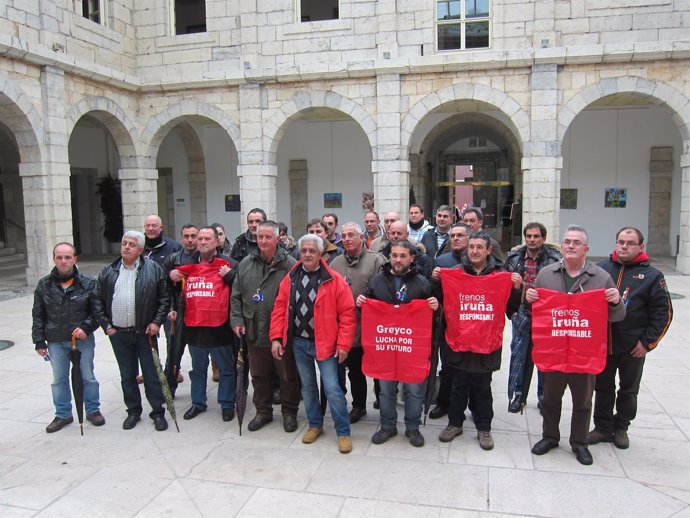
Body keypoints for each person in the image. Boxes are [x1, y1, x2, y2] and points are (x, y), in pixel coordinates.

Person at [527, 225, 625, 465]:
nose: (570, 246)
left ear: (586, 249)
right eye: (567, 242)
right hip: (554, 350)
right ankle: (549, 437)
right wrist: (528, 299)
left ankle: (579, 443)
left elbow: (617, 315)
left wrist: (615, 302)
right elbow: (537, 312)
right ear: (561, 246)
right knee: (550, 399)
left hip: (584, 352)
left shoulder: (600, 277)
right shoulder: (546, 274)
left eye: (576, 243)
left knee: (582, 401)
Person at [270, 234, 357, 454]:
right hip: (299, 343)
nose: (307, 254)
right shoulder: (290, 278)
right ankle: (315, 425)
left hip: (326, 345)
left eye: (312, 251)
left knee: (332, 388)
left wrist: (344, 344)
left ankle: (343, 431)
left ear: (321, 254)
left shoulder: (334, 280)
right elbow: (279, 309)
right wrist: (276, 338)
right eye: (304, 251)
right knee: (307, 387)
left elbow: (347, 315)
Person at [589, 227, 673, 449]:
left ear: (640, 246)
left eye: (630, 243)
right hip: (604, 344)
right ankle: (602, 427)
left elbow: (663, 313)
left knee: (628, 390)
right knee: (602, 388)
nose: (624, 246)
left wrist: (647, 343)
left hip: (632, 346)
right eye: (621, 242)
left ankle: (622, 427)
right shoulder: (601, 269)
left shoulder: (653, 276)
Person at [439, 231, 522, 450]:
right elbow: (441, 300)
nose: (474, 251)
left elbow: (511, 308)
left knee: (482, 388)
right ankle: (454, 424)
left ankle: (484, 428)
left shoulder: (501, 274)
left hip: (486, 343)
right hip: (459, 340)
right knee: (458, 386)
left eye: (479, 247)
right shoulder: (455, 273)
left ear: (488, 250)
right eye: (471, 247)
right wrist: (437, 280)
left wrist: (516, 289)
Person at [357, 240, 439, 447]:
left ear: (412, 258)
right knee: (385, 389)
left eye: (403, 256)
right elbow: (368, 311)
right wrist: (361, 305)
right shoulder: (377, 281)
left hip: (410, 347)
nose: (398, 259)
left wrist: (435, 307)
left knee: (413, 390)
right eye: (394, 255)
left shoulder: (421, 282)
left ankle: (413, 428)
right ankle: (387, 426)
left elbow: (433, 316)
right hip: (386, 346)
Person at [95, 230, 171, 431]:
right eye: (124, 243)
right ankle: (133, 411)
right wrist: (107, 326)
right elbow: (97, 301)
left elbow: (164, 299)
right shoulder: (109, 271)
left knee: (151, 374)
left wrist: (156, 322)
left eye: (131, 244)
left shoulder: (153, 270)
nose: (126, 247)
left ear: (140, 249)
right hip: (119, 334)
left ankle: (158, 412)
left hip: (144, 333)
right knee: (127, 375)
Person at [231, 221, 301, 433]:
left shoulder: (290, 265)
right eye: (259, 237)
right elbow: (236, 295)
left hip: (281, 332)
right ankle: (263, 411)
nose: (262, 241)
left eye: (267, 237)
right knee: (259, 376)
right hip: (254, 330)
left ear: (278, 238)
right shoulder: (245, 264)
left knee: (287, 375)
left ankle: (289, 412)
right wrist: (237, 320)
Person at [32, 242, 105, 433]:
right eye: (59, 257)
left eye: (67, 257)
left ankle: (92, 410)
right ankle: (63, 413)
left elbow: (97, 312)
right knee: (59, 379)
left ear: (75, 259)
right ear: (54, 259)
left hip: (81, 340)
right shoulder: (44, 285)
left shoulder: (89, 283)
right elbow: (38, 315)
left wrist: (86, 328)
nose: (63, 261)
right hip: (55, 341)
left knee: (88, 376)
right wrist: (39, 340)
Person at [170, 226, 238, 423]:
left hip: (220, 329)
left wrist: (230, 276)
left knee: (226, 369)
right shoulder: (185, 264)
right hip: (194, 328)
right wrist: (171, 277)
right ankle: (198, 403)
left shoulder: (230, 264)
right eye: (200, 239)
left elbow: (242, 290)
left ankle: (227, 404)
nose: (202, 242)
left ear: (217, 242)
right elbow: (171, 290)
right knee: (197, 369)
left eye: (207, 238)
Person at [330, 222, 387, 423]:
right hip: (348, 329)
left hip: (373, 328)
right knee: (355, 371)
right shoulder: (335, 263)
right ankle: (359, 406)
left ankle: (385, 408)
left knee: (380, 372)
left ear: (361, 237)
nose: (346, 239)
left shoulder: (377, 260)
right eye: (344, 236)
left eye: (351, 235)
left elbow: (386, 291)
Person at [503, 222, 561, 413]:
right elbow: (503, 287)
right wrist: (511, 311)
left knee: (544, 357)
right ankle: (519, 395)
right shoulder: (514, 259)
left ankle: (544, 397)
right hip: (521, 313)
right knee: (519, 355)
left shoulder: (555, 260)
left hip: (545, 315)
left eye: (536, 236)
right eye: (528, 236)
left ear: (543, 238)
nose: (532, 240)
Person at [427, 222, 471, 419]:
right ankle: (443, 403)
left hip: (472, 322)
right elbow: (434, 294)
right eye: (452, 236)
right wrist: (435, 280)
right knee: (447, 366)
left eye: (460, 235)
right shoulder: (442, 261)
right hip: (447, 321)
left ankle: (472, 405)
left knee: (470, 368)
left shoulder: (479, 260)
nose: (455, 239)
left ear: (469, 238)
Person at [162, 223, 199, 391]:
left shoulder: (205, 257)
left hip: (199, 311)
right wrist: (171, 308)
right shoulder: (173, 259)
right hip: (179, 310)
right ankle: (168, 388)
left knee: (200, 354)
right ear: (181, 238)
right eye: (186, 236)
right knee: (174, 352)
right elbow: (164, 288)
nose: (190, 240)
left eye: (193, 236)